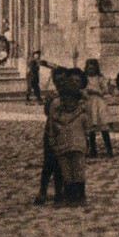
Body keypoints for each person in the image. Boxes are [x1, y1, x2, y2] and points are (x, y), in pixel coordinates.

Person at [47, 72, 89, 205]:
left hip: (78, 147)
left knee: (78, 172)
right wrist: (53, 143)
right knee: (66, 173)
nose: (68, 103)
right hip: (62, 148)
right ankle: (70, 196)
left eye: (71, 100)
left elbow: (86, 130)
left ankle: (80, 196)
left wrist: (84, 143)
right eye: (65, 100)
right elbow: (51, 131)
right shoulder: (57, 117)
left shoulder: (81, 115)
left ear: (76, 101)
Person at [33, 66, 67, 206]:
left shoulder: (71, 95)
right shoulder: (51, 96)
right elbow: (47, 112)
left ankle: (60, 191)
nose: (60, 83)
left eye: (63, 80)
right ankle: (43, 190)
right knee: (48, 163)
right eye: (57, 80)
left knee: (61, 163)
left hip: (66, 130)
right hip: (52, 130)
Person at [83, 58, 114, 157]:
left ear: (96, 68)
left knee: (103, 126)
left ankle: (109, 149)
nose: (91, 70)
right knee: (91, 127)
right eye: (89, 68)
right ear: (86, 68)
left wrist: (103, 89)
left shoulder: (100, 78)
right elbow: (83, 89)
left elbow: (104, 90)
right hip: (89, 103)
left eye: (93, 68)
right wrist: (90, 90)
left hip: (99, 103)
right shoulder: (84, 79)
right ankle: (93, 150)